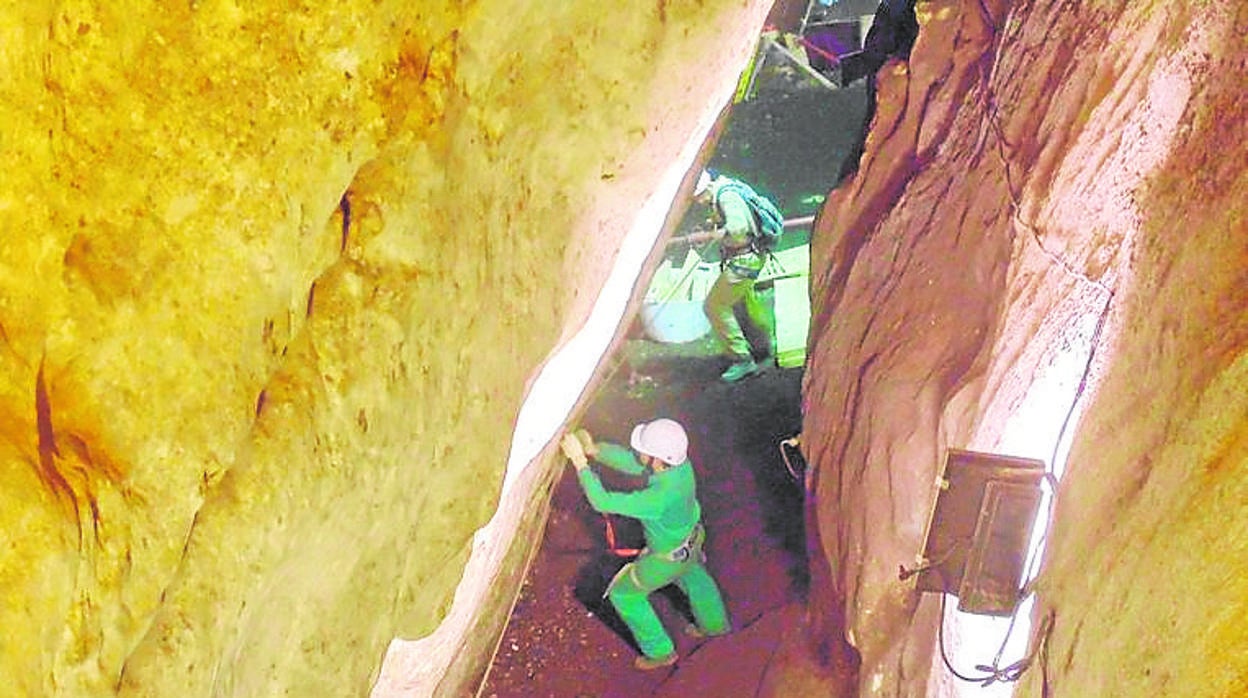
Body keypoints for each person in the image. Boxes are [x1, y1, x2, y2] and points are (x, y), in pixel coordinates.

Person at [559, 419, 731, 670]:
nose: (639, 453)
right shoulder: (681, 468)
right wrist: (595, 450)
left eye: (645, 452)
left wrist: (580, 463)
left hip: (666, 560)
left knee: (624, 595)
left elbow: (602, 501)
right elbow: (635, 464)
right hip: (692, 541)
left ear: (658, 461)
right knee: (694, 576)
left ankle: (660, 652)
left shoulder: (657, 499)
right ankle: (716, 626)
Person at [692, 169, 777, 382]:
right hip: (752, 255)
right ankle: (764, 346)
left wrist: (715, 235)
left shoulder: (726, 196)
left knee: (714, 306)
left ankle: (742, 359)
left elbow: (738, 229)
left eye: (699, 197)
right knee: (744, 302)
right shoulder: (728, 187)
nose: (699, 201)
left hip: (744, 260)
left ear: (706, 188)